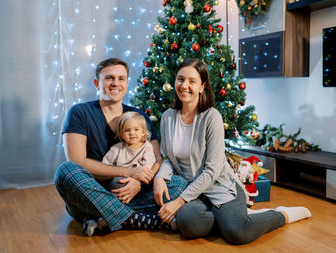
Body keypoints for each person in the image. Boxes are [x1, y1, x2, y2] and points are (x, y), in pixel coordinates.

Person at [152, 59, 311, 245]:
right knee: (188, 224)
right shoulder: (167, 117)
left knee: (238, 233)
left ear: (202, 86)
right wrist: (159, 178)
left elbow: (212, 170)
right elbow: (167, 158)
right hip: (193, 190)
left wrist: (179, 202)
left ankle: (279, 214)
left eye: (192, 81)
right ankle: (231, 218)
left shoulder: (212, 117)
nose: (184, 86)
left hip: (220, 187)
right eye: (180, 79)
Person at [54, 58, 187, 236]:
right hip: (89, 193)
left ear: (126, 83)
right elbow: (77, 162)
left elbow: (157, 158)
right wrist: (129, 173)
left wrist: (139, 183)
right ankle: (139, 220)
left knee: (179, 183)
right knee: (66, 171)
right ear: (97, 83)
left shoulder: (138, 115)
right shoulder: (80, 113)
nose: (116, 83)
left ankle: (103, 218)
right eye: (109, 78)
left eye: (121, 78)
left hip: (130, 193)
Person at [103, 111, 156, 190]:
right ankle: (119, 197)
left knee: (147, 181)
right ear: (121, 134)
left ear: (143, 132)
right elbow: (105, 164)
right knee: (117, 183)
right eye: (127, 130)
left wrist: (135, 177)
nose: (131, 133)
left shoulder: (147, 147)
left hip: (139, 177)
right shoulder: (117, 148)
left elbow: (147, 166)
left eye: (136, 129)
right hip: (121, 176)